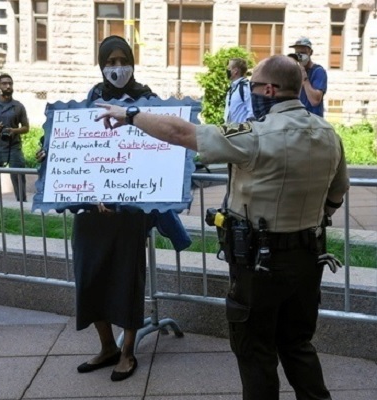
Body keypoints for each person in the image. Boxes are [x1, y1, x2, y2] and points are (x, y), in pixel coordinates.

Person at [95, 55, 349, 399]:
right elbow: (337, 193)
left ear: (269, 90)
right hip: (307, 257)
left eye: (252, 86)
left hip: (260, 265)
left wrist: (131, 114)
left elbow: (181, 132)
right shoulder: (328, 134)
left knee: (255, 352)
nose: (250, 92)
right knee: (297, 344)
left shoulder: (256, 135)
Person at [62, 35, 157, 382]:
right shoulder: (91, 99)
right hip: (90, 213)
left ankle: (128, 353)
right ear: (101, 65)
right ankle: (107, 347)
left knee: (126, 281)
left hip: (128, 215)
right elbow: (80, 148)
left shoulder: (148, 101)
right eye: (110, 62)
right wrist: (52, 153)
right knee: (89, 279)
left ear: (132, 61)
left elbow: (158, 153)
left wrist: (121, 194)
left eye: (123, 61)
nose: (117, 68)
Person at [289, 37, 327, 117]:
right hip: (298, 119)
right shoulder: (295, 71)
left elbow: (315, 101)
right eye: (297, 53)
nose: (300, 56)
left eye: (303, 52)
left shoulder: (318, 71)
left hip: (313, 121)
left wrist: (305, 79)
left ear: (310, 52)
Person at [224, 58, 254, 123]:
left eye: (229, 68)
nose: (227, 70)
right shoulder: (232, 88)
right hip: (230, 129)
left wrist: (244, 129)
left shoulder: (245, 87)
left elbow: (251, 111)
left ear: (235, 71)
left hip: (241, 131)